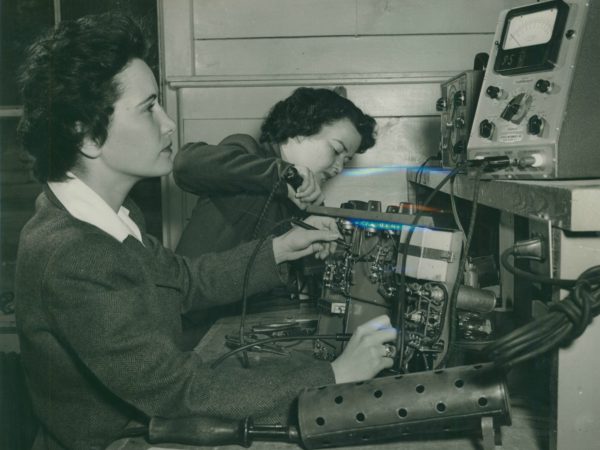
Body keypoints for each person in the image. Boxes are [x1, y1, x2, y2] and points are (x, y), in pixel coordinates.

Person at [14, 13, 397, 450]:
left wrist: (281, 250)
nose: (168, 123)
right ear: (87, 134)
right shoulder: (73, 252)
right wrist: (333, 375)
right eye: (148, 108)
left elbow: (184, 279)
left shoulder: (114, 216)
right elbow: (181, 393)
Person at [173, 87, 377, 257]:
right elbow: (185, 163)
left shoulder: (308, 199)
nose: (338, 168)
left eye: (346, 160)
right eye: (336, 151)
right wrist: (283, 174)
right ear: (302, 130)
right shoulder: (248, 151)